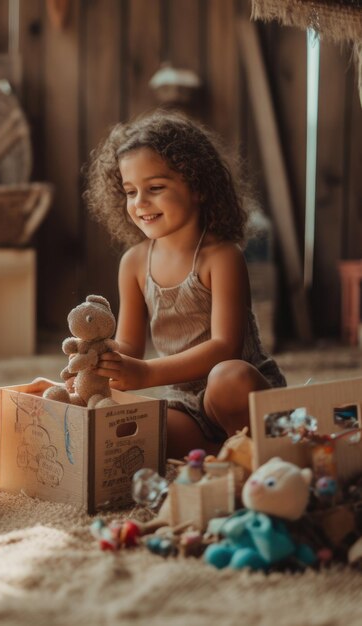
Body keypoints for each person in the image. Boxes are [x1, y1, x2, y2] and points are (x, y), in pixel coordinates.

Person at [84, 110, 286, 459]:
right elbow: (130, 347)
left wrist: (146, 372)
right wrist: (100, 363)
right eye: (130, 192)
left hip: (241, 391)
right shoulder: (133, 262)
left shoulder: (221, 257)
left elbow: (225, 346)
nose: (140, 203)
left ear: (198, 188)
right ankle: (224, 455)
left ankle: (262, 451)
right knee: (131, 435)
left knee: (227, 377)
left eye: (155, 188)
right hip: (187, 405)